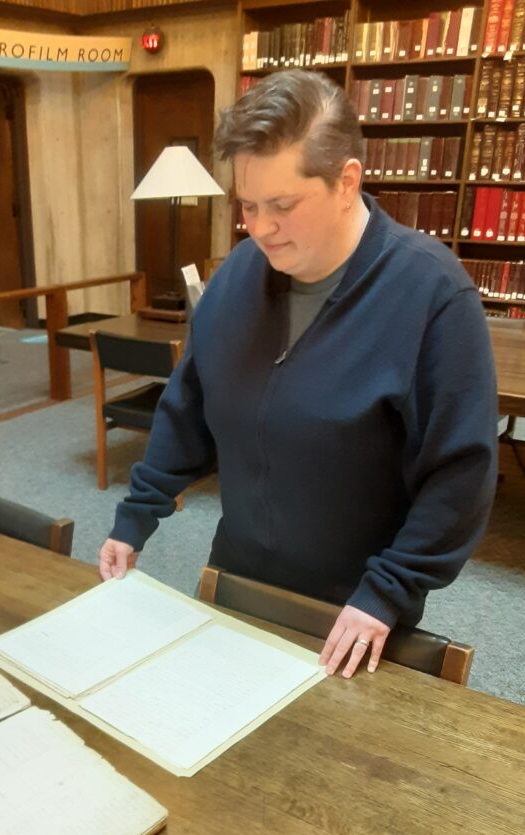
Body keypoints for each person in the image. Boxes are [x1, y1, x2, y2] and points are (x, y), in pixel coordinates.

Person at [98, 69, 498, 680]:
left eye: (282, 206)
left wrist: (388, 592)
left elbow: (462, 471)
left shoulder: (431, 294)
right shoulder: (235, 279)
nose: (260, 229)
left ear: (347, 183)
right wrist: (137, 514)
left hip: (357, 611)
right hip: (237, 576)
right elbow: (190, 409)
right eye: (248, 206)